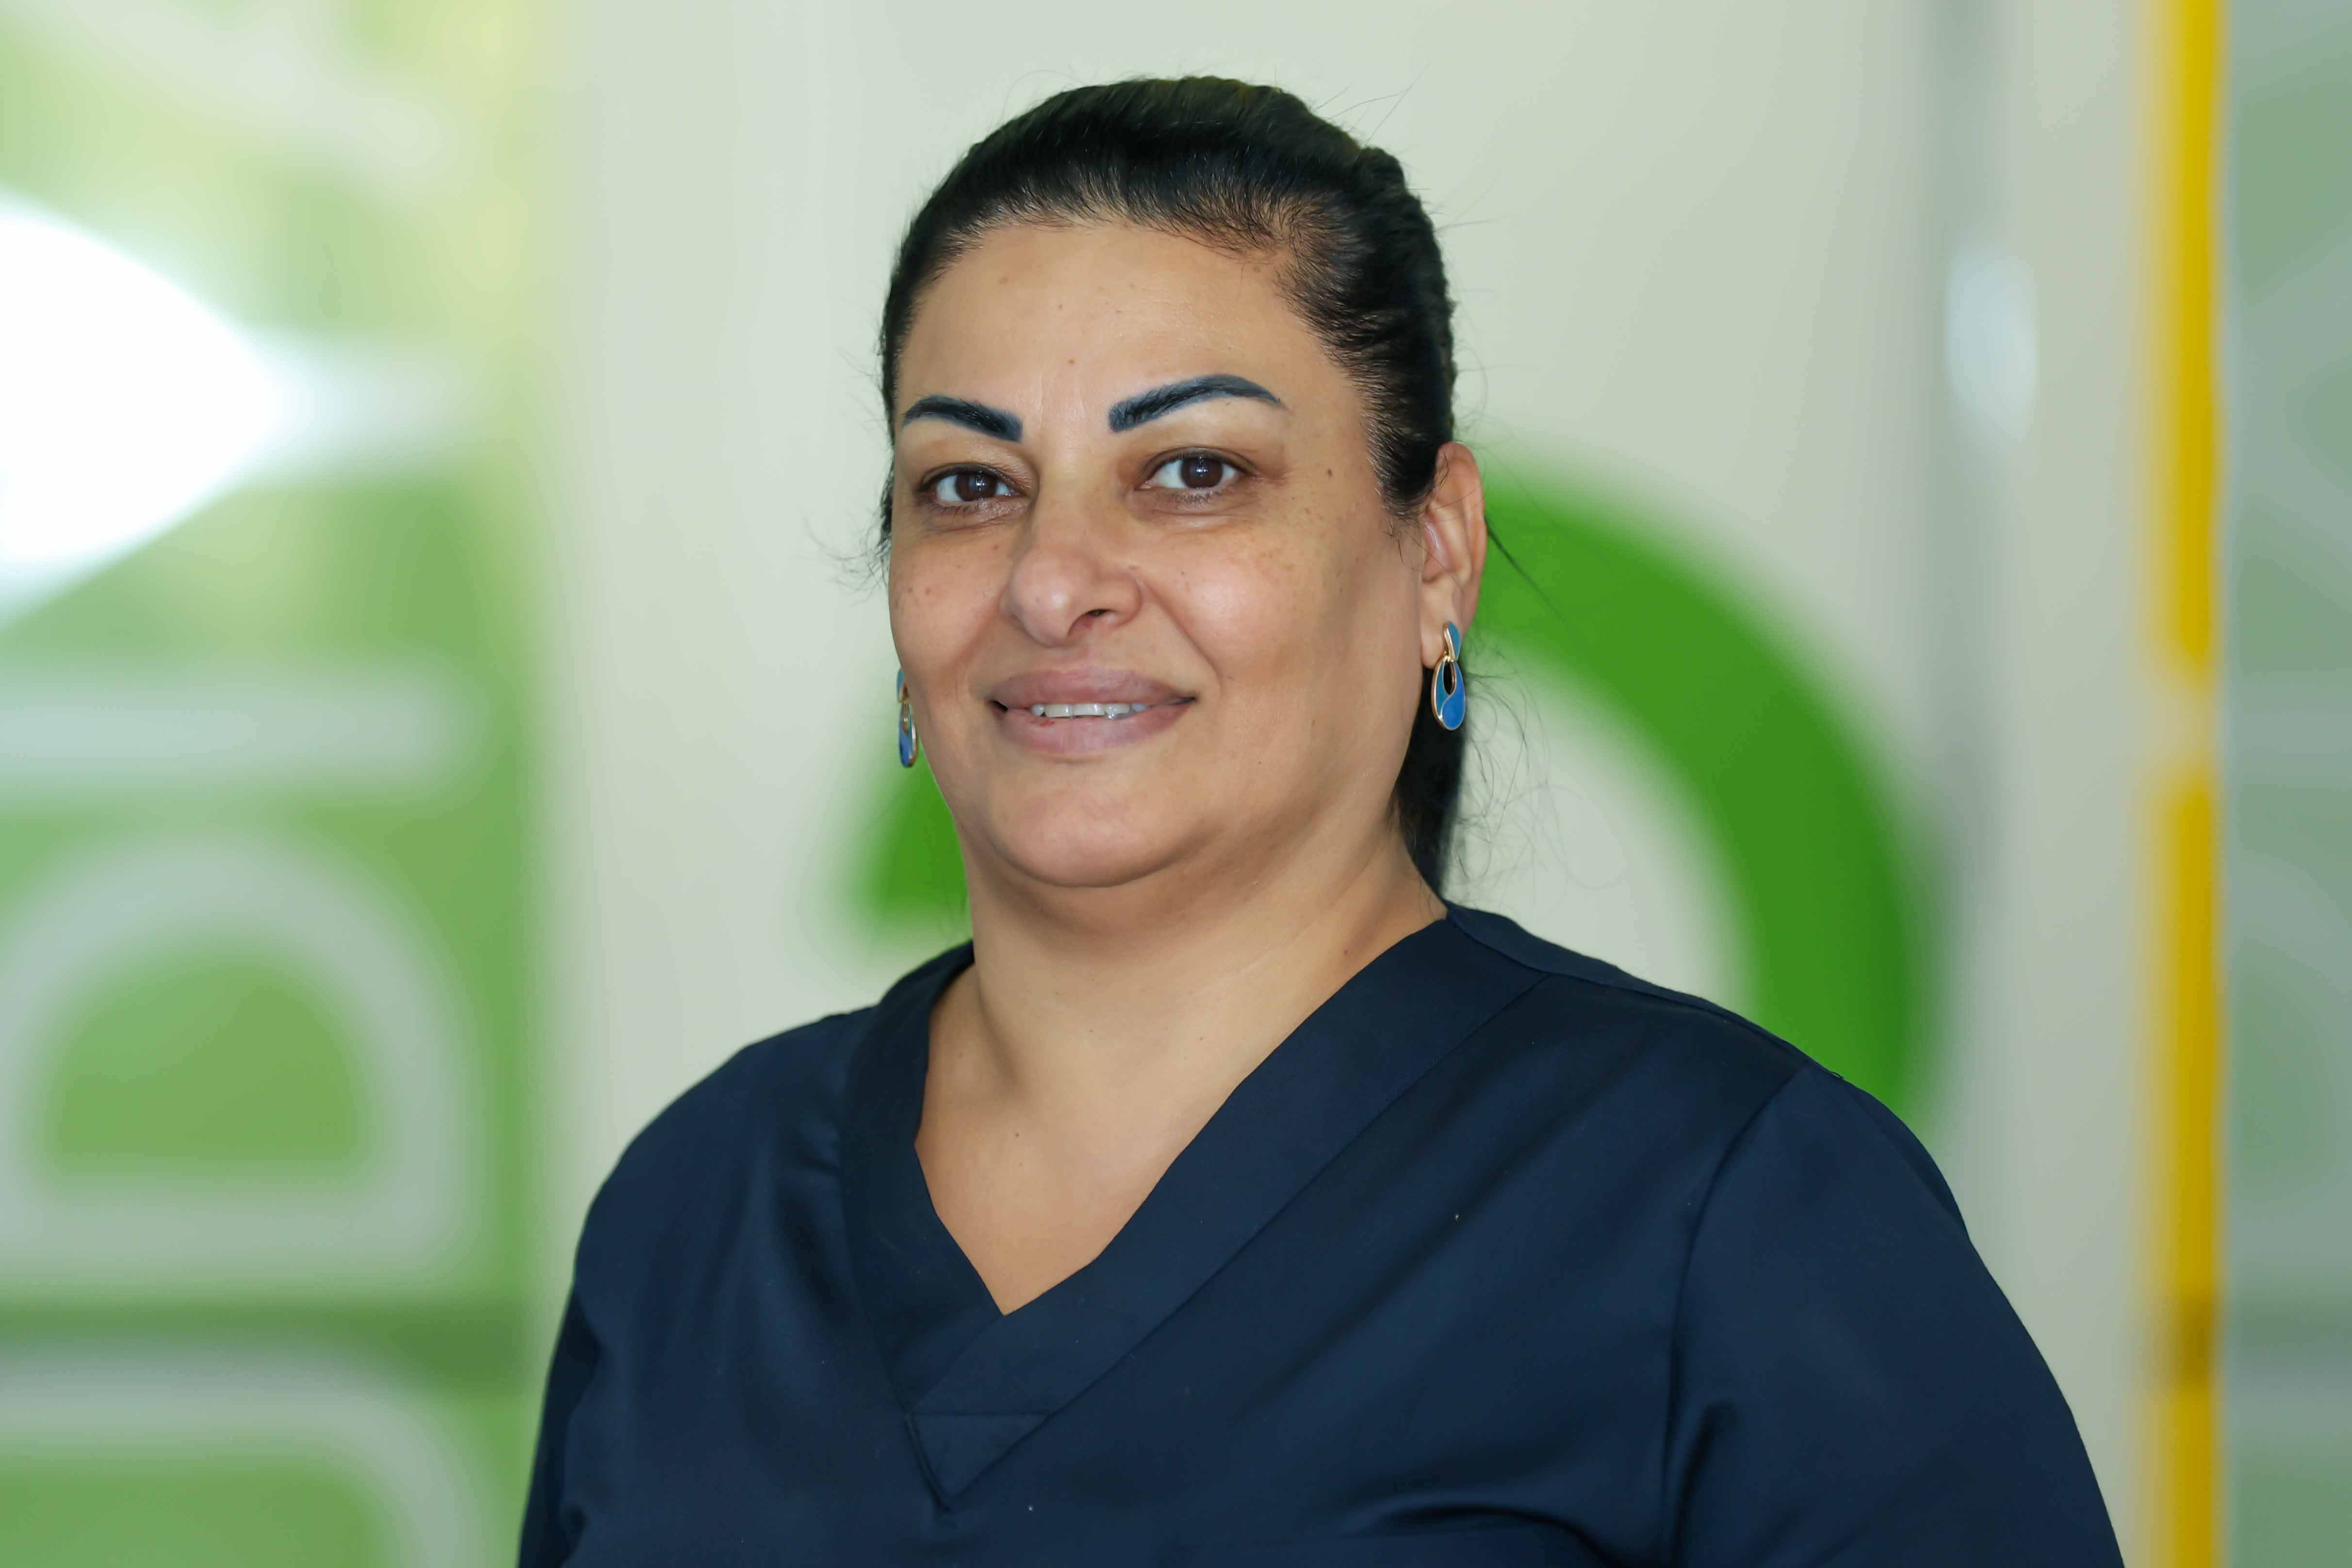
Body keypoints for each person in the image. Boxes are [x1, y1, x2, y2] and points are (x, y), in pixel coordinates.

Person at [520, 77, 2123, 1565]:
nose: (1051, 581)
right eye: (969, 485)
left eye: (1194, 472)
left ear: (1437, 553)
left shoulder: (1732, 1213)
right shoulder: (703, 1208)